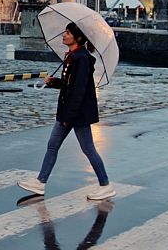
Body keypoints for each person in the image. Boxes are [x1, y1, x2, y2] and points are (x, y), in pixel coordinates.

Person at [18, 22, 116, 200]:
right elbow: (70, 85)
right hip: (68, 111)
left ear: (77, 38)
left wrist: (68, 117)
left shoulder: (82, 59)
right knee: (53, 145)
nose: (64, 35)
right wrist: (54, 82)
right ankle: (40, 182)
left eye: (68, 33)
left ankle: (105, 185)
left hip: (76, 114)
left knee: (88, 149)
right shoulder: (73, 56)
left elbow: (78, 91)